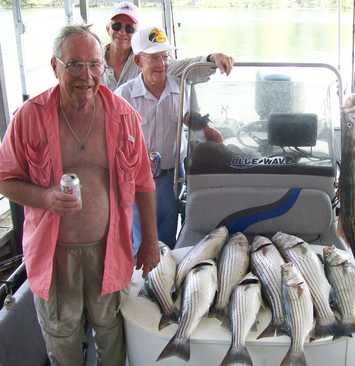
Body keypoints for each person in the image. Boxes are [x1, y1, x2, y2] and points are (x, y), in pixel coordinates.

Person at [0, 24, 160, 365]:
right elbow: (5, 178)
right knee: (62, 337)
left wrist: (149, 241)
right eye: (74, 64)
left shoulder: (124, 116)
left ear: (103, 67)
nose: (85, 75)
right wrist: (44, 198)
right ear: (55, 65)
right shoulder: (29, 117)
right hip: (54, 254)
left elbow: (145, 182)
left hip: (110, 249)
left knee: (112, 332)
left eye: (93, 65)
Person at [115, 26, 233, 251]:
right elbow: (111, 140)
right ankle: (142, 281)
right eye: (153, 58)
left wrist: (207, 130)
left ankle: (163, 278)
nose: (161, 64)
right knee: (141, 241)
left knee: (168, 238)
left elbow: (186, 118)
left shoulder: (181, 87)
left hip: (172, 175)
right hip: (137, 179)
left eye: (164, 56)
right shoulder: (124, 95)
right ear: (139, 61)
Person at [102, 1, 213, 91]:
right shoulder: (94, 59)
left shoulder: (145, 59)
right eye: (116, 26)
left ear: (136, 34)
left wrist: (211, 59)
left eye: (129, 29)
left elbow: (182, 67)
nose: (122, 32)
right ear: (108, 28)